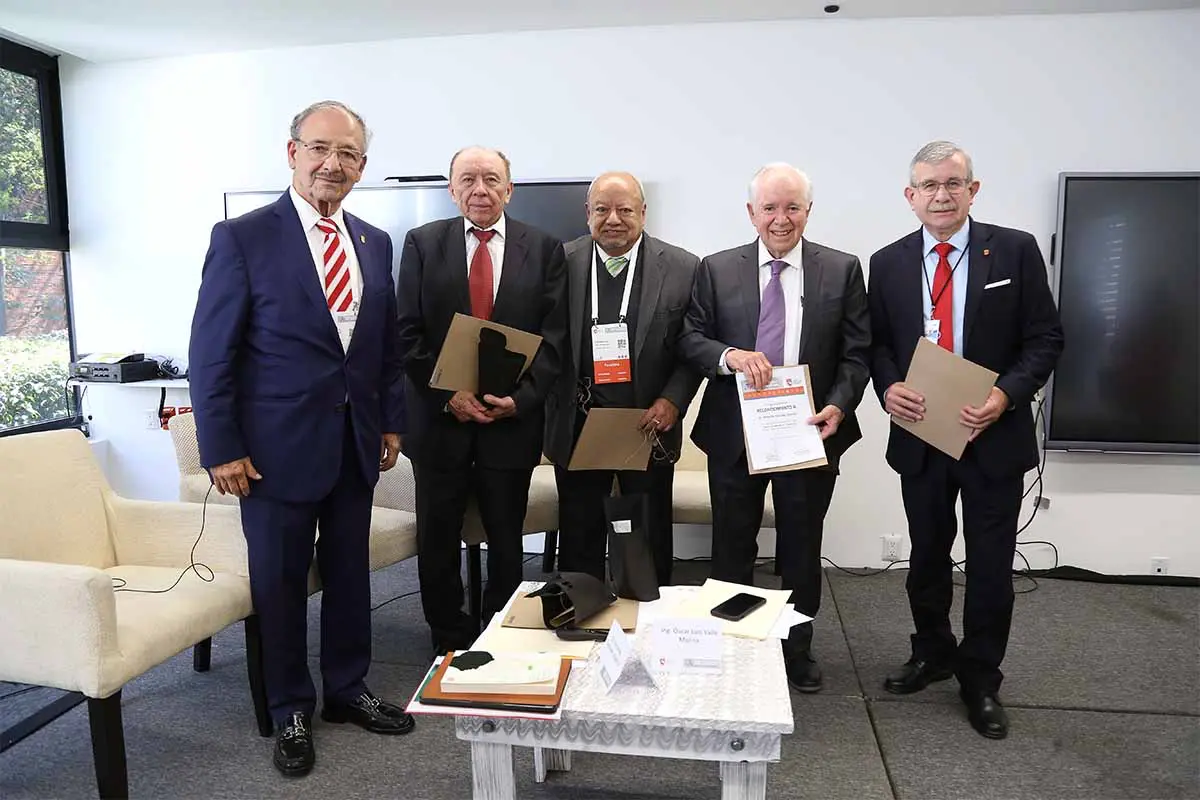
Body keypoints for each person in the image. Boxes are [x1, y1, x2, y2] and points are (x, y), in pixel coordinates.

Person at [189, 100, 414, 778]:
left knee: (349, 576)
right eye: (320, 148)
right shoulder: (243, 238)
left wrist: (392, 420)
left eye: (347, 154)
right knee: (281, 583)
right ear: (293, 153)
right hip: (272, 453)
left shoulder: (374, 241)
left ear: (362, 166)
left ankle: (347, 688)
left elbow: (384, 348)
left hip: (354, 443)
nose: (332, 164)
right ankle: (289, 705)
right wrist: (221, 447)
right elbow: (211, 355)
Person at [868, 140, 1064, 739]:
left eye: (953, 183)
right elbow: (878, 344)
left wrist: (1005, 395)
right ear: (910, 196)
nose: (941, 195)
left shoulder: (1014, 250)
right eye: (929, 186)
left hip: (992, 437)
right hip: (922, 434)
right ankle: (931, 652)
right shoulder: (888, 262)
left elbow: (1045, 339)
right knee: (926, 556)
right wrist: (888, 387)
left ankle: (980, 678)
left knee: (989, 566)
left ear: (972, 190)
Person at [679, 163, 871, 693]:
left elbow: (857, 354)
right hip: (734, 432)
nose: (781, 219)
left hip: (809, 430)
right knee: (731, 545)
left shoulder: (842, 269)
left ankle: (796, 650)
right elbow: (690, 338)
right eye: (769, 208)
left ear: (809, 210)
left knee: (801, 547)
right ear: (751, 212)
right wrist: (730, 356)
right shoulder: (717, 269)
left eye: (792, 207)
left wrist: (839, 405)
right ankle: (733, 644)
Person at [395, 146, 568, 654]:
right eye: (468, 179)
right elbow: (407, 332)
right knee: (437, 538)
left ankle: (500, 634)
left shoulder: (545, 248)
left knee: (508, 540)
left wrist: (522, 400)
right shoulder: (423, 243)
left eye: (491, 179)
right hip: (439, 423)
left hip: (510, 425)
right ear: (452, 189)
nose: (480, 189)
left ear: (509, 189)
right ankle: (448, 639)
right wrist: (448, 395)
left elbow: (555, 338)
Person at [543, 172, 701, 587]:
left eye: (625, 210)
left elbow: (692, 347)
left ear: (643, 213)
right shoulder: (560, 261)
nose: (613, 219)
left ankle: (646, 614)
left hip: (647, 424)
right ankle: (582, 614)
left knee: (645, 538)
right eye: (602, 209)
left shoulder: (683, 267)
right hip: (579, 423)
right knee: (579, 536)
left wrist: (673, 400)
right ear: (587, 213)